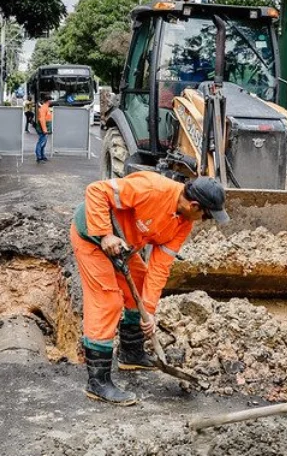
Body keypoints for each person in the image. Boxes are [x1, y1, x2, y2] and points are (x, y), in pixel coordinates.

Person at [71, 173, 230, 405]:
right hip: (92, 238)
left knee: (142, 284)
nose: (204, 220)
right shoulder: (151, 188)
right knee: (107, 301)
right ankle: (97, 382)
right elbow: (96, 190)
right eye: (205, 215)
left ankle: (130, 353)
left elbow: (159, 267)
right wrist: (105, 234)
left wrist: (150, 312)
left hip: (124, 247)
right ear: (194, 205)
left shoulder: (183, 223)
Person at [35, 94, 53, 163]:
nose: (51, 101)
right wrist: (45, 130)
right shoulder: (43, 108)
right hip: (43, 130)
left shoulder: (46, 107)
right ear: (48, 101)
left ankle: (42, 156)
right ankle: (39, 158)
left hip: (45, 129)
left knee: (43, 143)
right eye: (50, 100)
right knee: (41, 143)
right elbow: (42, 120)